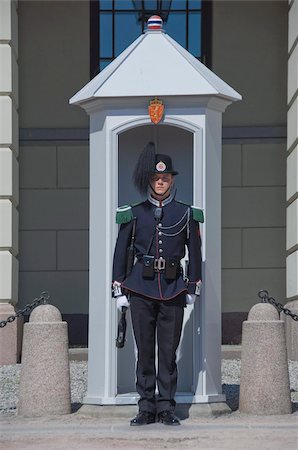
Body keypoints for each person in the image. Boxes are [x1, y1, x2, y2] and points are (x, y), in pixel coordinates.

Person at [112, 142, 203, 426]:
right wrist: (119, 290)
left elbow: (195, 254)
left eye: (165, 178)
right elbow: (120, 250)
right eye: (155, 178)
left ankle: (166, 408)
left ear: (172, 179)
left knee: (168, 352)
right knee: (144, 352)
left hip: (174, 288)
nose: (160, 182)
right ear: (149, 180)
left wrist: (192, 287)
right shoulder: (133, 213)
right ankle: (145, 407)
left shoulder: (187, 213)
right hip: (140, 289)